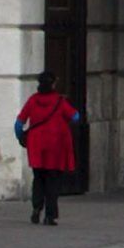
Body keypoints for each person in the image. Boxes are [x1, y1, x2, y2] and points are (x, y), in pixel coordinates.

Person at [16, 73, 80, 226]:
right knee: (53, 180)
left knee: (38, 178)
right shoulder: (60, 101)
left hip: (36, 145)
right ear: (53, 85)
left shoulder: (33, 100)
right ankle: (50, 215)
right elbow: (75, 116)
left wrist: (21, 138)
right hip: (55, 145)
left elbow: (19, 123)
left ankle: (36, 208)